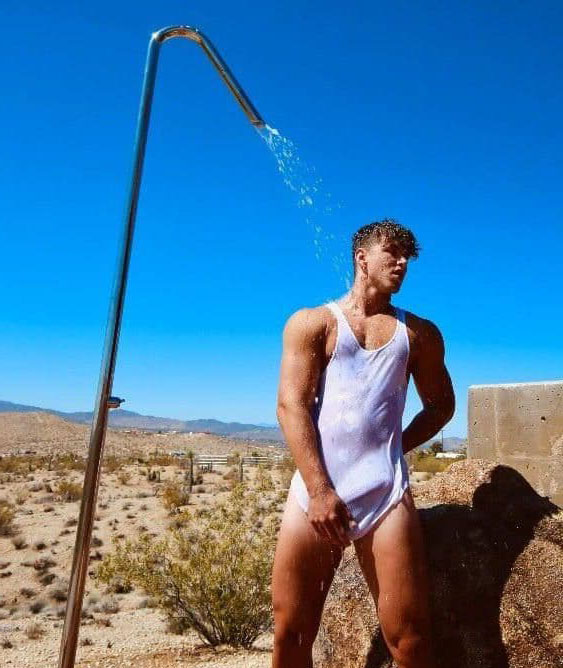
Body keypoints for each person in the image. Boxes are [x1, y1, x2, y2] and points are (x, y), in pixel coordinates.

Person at [271, 219, 455, 668]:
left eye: (407, 257)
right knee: (291, 632)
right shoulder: (313, 323)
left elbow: (440, 407)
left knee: (409, 639)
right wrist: (319, 490)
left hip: (385, 495)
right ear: (361, 258)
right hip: (315, 492)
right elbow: (291, 406)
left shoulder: (419, 334)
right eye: (392, 252)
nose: (402, 263)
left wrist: (393, 449)